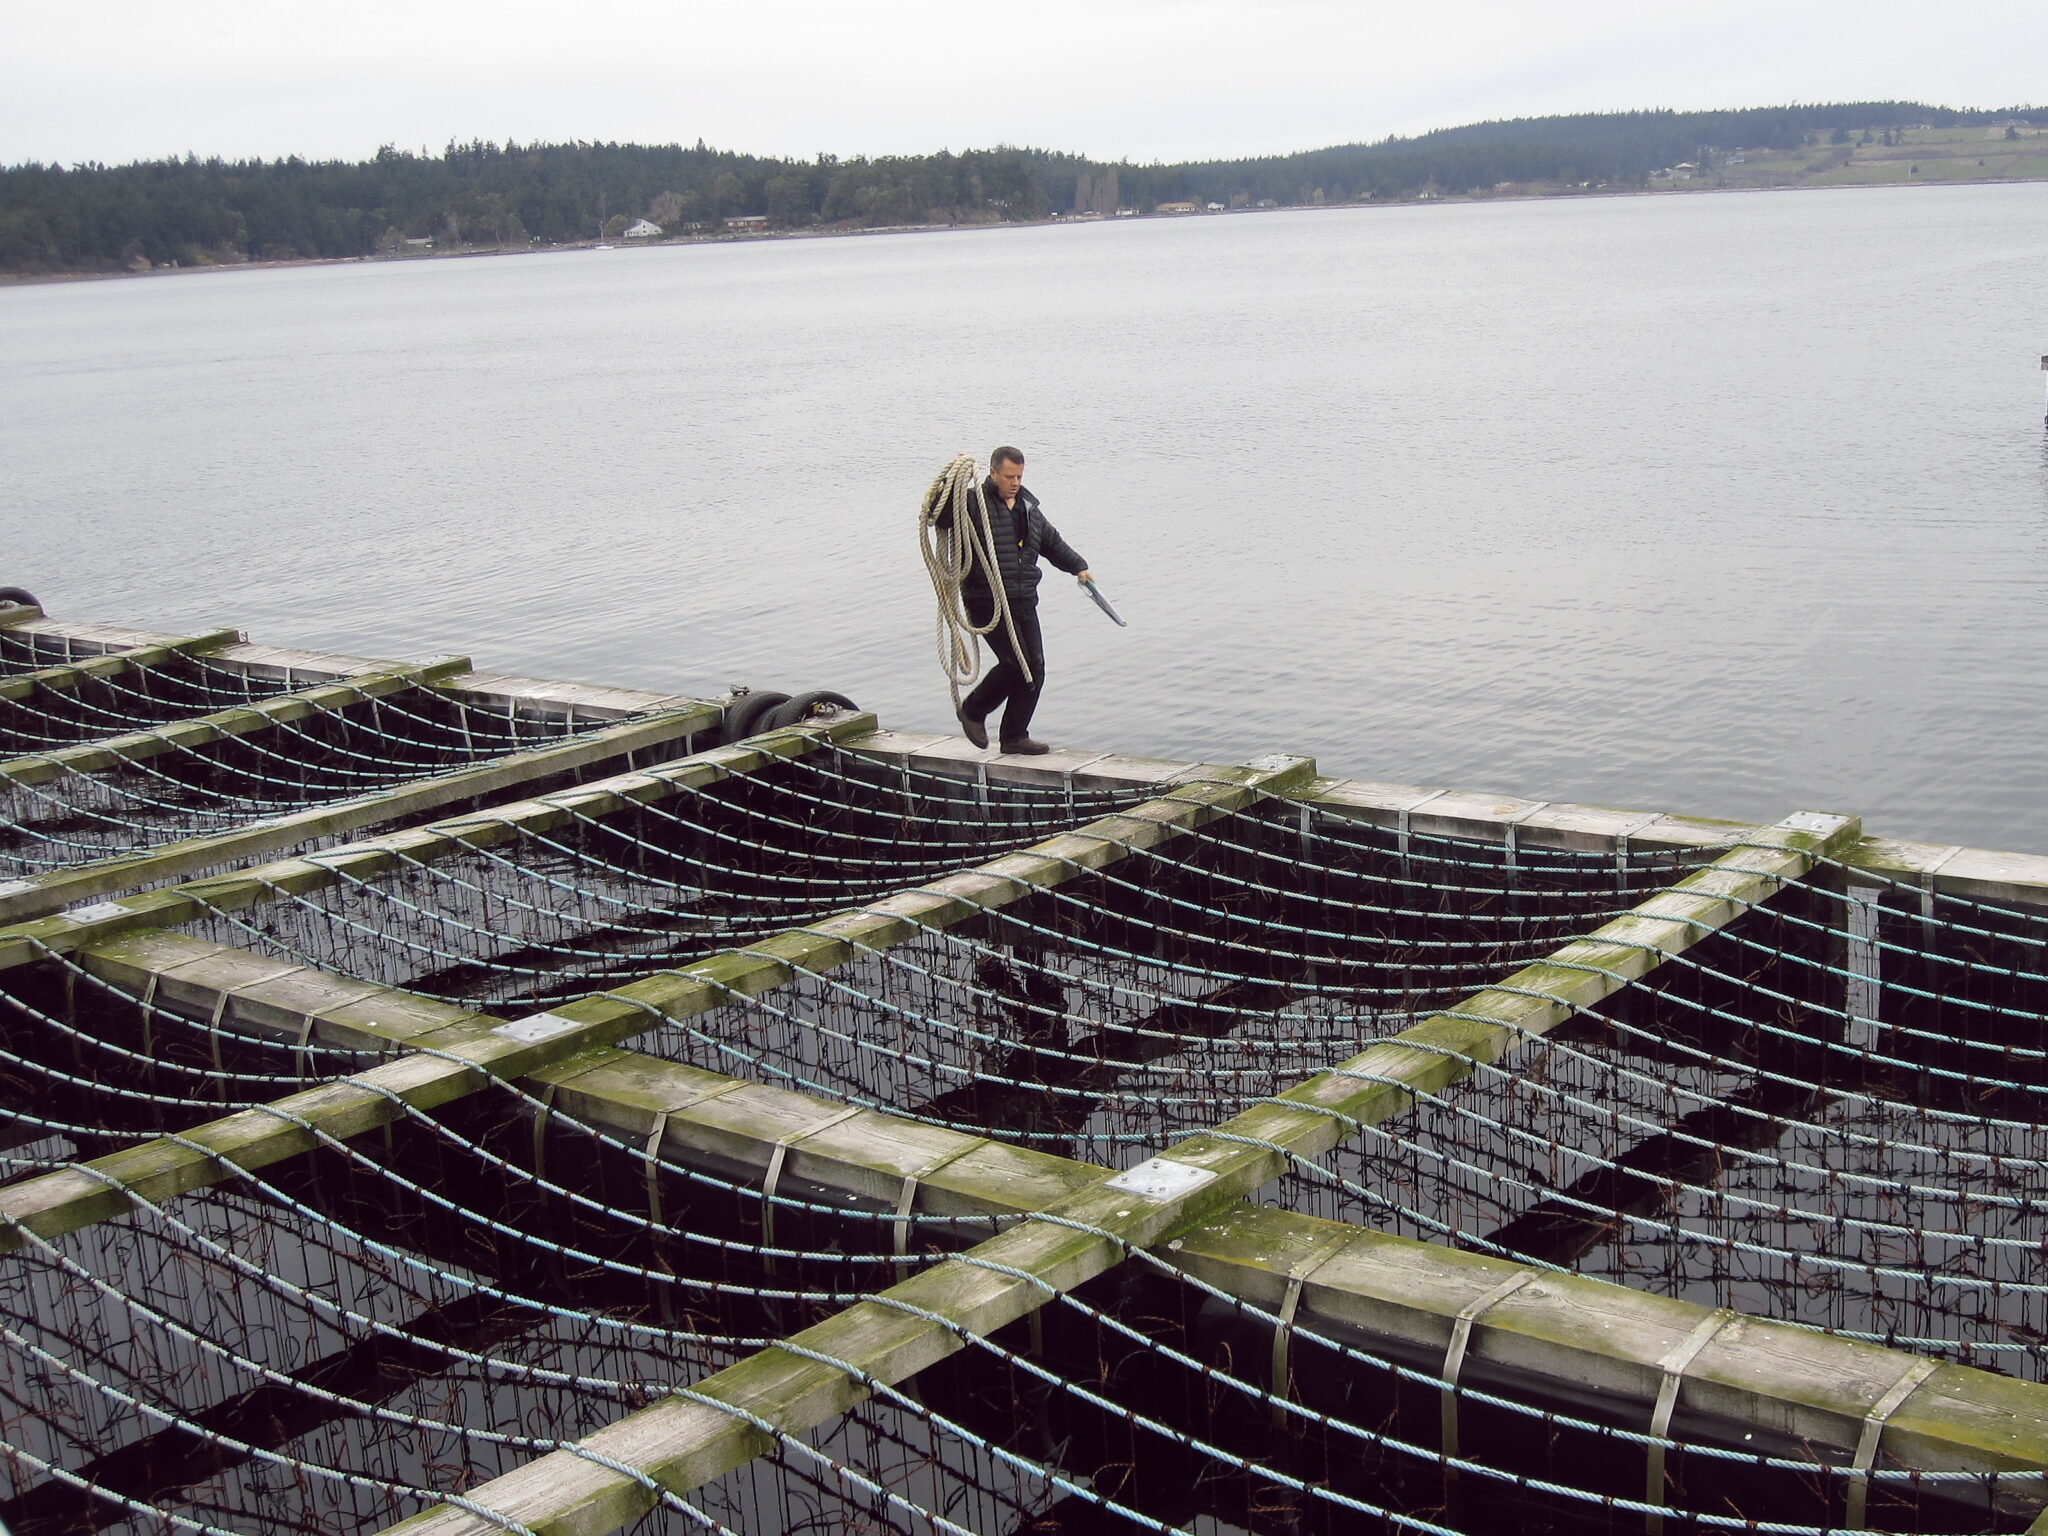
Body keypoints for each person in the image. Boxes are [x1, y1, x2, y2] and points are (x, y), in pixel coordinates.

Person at [948, 446, 1092, 756]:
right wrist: (953, 478)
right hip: (987, 600)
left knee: (1035, 669)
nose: (1015, 482)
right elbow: (943, 515)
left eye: (1019, 476)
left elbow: (1052, 543)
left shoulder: (1028, 507)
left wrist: (1079, 566)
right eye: (1009, 476)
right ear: (993, 473)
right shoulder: (973, 503)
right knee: (1014, 665)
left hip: (1023, 598)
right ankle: (972, 711)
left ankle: (1014, 736)